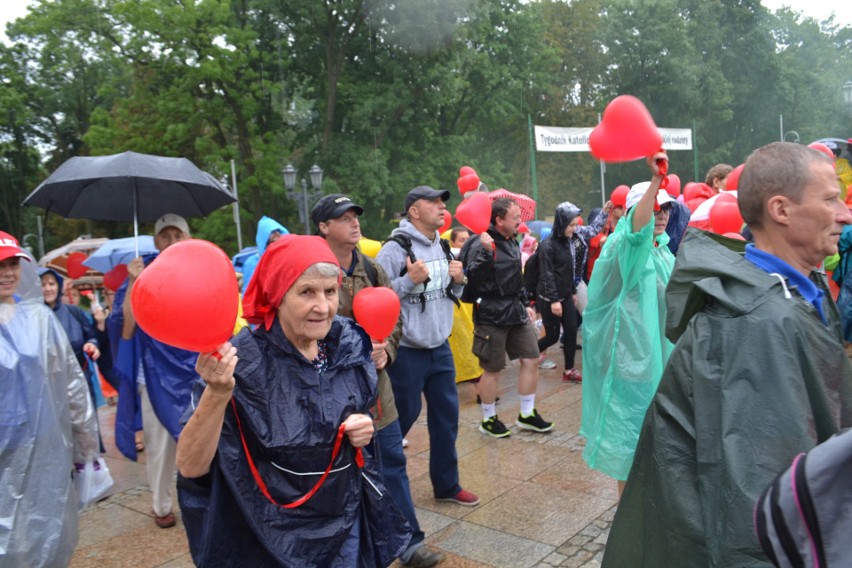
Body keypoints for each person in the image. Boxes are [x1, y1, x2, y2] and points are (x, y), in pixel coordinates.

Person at [602, 142, 852, 567]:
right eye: (830, 199)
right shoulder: (757, 321)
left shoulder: (787, 292)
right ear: (781, 209)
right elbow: (757, 512)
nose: (845, 213)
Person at [176, 234, 411, 566]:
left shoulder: (345, 341)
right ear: (277, 296)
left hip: (345, 526)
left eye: (330, 291)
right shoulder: (243, 361)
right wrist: (216, 393)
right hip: (270, 535)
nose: (323, 306)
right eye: (306, 292)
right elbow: (191, 466)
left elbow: (352, 406)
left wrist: (362, 425)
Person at [312, 193, 444, 567]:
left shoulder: (371, 270)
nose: (354, 223)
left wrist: (388, 347)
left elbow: (394, 314)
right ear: (323, 227)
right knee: (336, 476)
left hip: (376, 393)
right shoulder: (311, 273)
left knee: (391, 465)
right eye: (343, 217)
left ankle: (409, 544)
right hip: (328, 397)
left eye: (356, 215)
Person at [0, 232, 100, 567]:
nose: (7, 272)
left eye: (13, 263)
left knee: (45, 525)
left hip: (43, 444)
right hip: (4, 447)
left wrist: (85, 436)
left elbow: (69, 380)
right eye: (0, 264)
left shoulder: (39, 320)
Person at [376, 186, 479, 506]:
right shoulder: (394, 250)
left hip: (440, 347)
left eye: (442, 202)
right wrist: (408, 281)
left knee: (447, 421)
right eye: (432, 202)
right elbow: (377, 301)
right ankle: (377, 482)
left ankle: (447, 486)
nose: (441, 206)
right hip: (407, 351)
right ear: (414, 211)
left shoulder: (443, 246)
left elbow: (450, 296)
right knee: (401, 419)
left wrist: (460, 282)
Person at [580, 152, 674, 496]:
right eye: (655, 207)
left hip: (656, 358)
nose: (662, 213)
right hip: (630, 362)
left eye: (667, 208)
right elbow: (637, 231)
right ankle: (628, 522)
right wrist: (655, 182)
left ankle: (646, 513)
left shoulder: (661, 249)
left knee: (652, 442)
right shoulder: (627, 245)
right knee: (631, 446)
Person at [110, 213, 197, 529]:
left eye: (178, 234)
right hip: (154, 373)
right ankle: (161, 505)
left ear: (187, 237)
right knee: (159, 445)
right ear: (156, 240)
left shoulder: (200, 270)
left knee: (202, 439)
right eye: (165, 235)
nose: (172, 241)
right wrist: (134, 282)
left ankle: (206, 498)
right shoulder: (142, 272)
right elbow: (127, 330)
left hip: (194, 371)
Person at [459, 197, 555, 438]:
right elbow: (470, 281)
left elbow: (516, 277)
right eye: (515, 218)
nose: (520, 223)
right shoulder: (478, 242)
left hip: (516, 311)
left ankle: (527, 414)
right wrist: (485, 251)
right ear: (499, 220)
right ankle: (489, 419)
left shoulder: (512, 242)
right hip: (491, 314)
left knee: (532, 358)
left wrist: (525, 303)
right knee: (492, 369)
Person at [535, 202, 586, 382]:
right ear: (562, 223)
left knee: (571, 330)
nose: (574, 229)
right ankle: (530, 355)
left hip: (565, 294)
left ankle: (569, 370)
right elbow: (547, 274)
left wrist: (572, 291)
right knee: (552, 336)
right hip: (549, 297)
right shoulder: (547, 246)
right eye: (571, 225)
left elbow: (569, 269)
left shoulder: (568, 242)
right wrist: (554, 300)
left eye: (575, 225)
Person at [446, 227, 482, 385]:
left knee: (472, 343)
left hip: (471, 308)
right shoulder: (449, 258)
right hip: (456, 309)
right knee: (463, 343)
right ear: (453, 242)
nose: (466, 244)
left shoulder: (474, 258)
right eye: (462, 240)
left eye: (468, 240)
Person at [240, 215, 288, 294]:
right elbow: (248, 292)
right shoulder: (253, 262)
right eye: (272, 231)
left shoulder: (286, 259)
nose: (276, 233)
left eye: (278, 230)